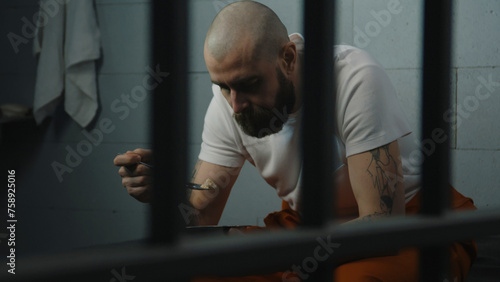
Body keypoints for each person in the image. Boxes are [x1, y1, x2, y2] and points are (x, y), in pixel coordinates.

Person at [114, 1, 477, 281]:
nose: (235, 104)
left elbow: (381, 224)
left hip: (408, 223)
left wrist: (298, 258)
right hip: (306, 227)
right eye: (223, 87)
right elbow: (200, 218)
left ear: (287, 57)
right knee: (193, 273)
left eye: (249, 84)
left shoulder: (352, 77)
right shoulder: (228, 103)